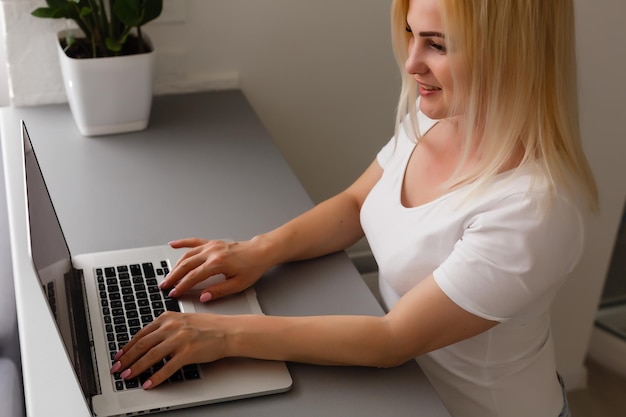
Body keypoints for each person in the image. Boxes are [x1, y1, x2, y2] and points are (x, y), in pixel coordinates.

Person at [110, 0, 598, 416]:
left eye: (438, 45)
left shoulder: (535, 210)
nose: (411, 63)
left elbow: (390, 341)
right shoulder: (438, 117)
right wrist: (257, 251)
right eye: (410, 34)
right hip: (406, 389)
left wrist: (223, 336)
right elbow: (355, 203)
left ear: (513, 54)